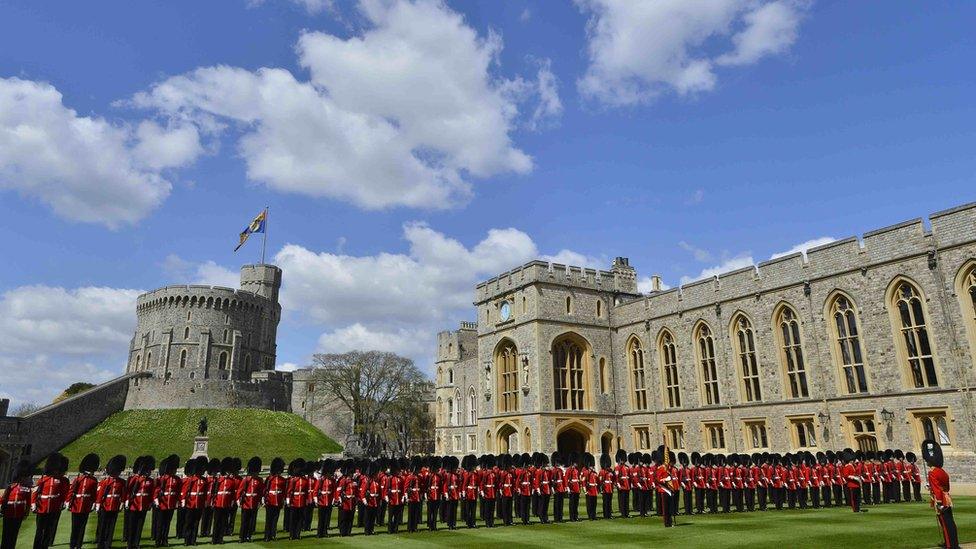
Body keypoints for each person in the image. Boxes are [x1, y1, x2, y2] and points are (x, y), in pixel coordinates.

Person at [922, 439, 960, 549]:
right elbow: (945, 487)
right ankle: (952, 543)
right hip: (947, 497)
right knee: (949, 521)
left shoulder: (932, 472)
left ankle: (950, 545)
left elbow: (937, 489)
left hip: (941, 500)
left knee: (945, 523)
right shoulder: (942, 471)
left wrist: (938, 502)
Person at [32, 453, 69, 549]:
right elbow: (36, 492)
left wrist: (63, 502)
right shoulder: (43, 480)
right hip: (42, 508)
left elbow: (63, 493)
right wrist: (33, 504)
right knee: (39, 531)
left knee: (49, 531)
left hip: (54, 508)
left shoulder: (61, 481)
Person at [66, 454, 99, 549]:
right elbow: (72, 491)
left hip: (85, 506)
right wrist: (68, 502)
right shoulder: (78, 479)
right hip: (76, 505)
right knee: (75, 527)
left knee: (82, 527)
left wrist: (93, 503)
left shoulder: (93, 481)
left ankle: (79, 545)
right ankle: (72, 545)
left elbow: (93, 494)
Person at [95, 455, 128, 549]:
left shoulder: (121, 482)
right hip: (105, 506)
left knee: (111, 527)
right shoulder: (105, 482)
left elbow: (123, 494)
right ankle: (100, 544)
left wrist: (122, 503)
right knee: (102, 527)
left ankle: (108, 544)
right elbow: (100, 494)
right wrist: (98, 504)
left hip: (114, 506)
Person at [1, 460, 33, 549]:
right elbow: (4, 498)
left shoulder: (27, 489)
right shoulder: (10, 487)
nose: (25, 478)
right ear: (19, 476)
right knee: (6, 534)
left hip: (18, 515)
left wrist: (26, 513)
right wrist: (3, 509)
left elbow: (28, 502)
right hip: (8, 514)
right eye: (24, 477)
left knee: (14, 535)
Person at [127, 456, 156, 549]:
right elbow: (128, 490)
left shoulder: (150, 481)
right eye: (148, 470)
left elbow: (151, 493)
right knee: (132, 526)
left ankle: (136, 543)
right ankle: (130, 544)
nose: (149, 472)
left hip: (143, 505)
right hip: (134, 505)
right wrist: (127, 500)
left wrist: (150, 503)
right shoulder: (134, 479)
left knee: (140, 526)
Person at [153, 455, 181, 548]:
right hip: (162, 504)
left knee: (167, 524)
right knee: (160, 524)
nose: (175, 471)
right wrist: (157, 501)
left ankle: (165, 540)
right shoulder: (162, 479)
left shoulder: (177, 479)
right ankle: (158, 541)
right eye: (173, 469)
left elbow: (177, 492)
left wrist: (177, 502)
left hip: (171, 504)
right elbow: (156, 490)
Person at [262, 457, 286, 541]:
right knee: (268, 520)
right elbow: (265, 489)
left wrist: (283, 500)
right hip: (270, 501)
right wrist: (264, 500)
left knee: (275, 519)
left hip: (278, 501)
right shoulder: (269, 479)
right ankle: (267, 536)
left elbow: (283, 491)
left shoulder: (282, 480)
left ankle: (273, 535)